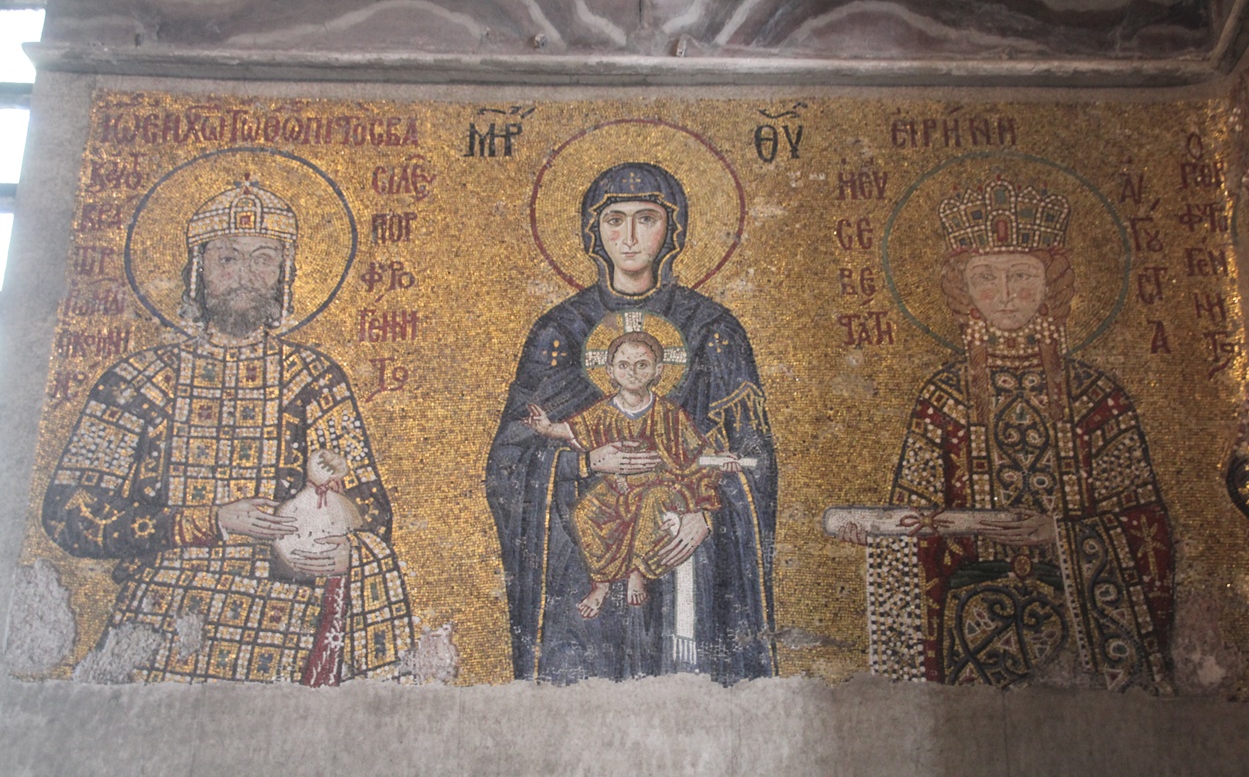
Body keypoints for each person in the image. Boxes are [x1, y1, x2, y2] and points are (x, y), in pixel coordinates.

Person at [43, 178, 415, 685]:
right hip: (160, 616)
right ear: (198, 268)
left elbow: (370, 505)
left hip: (287, 618)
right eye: (227, 258)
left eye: (263, 259)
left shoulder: (314, 380)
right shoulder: (139, 381)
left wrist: (340, 545)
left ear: (284, 271)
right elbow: (69, 510)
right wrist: (208, 521)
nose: (244, 275)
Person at [843, 177, 1174, 692]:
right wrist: (887, 534)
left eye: (1021, 275)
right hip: (970, 634)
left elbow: (1146, 528)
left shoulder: (1096, 398)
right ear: (962, 289)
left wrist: (1058, 535)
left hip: (1079, 632)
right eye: (985, 278)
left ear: (1051, 282)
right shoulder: (943, 398)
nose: (1003, 295)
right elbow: (915, 519)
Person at [487, 161, 777, 684]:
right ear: (593, 232)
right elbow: (508, 463)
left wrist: (707, 515)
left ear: (673, 229)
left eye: (647, 219)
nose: (629, 237)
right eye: (614, 220)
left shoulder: (712, 331)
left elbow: (753, 461)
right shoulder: (560, 333)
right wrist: (584, 462)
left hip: (685, 547)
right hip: (582, 560)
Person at [526, 330, 738, 619]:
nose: (633, 372)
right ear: (610, 371)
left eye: (642, 365)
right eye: (624, 365)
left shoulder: (669, 413)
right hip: (618, 488)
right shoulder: (603, 411)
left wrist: (720, 460)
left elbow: (695, 451)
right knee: (585, 513)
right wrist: (548, 428)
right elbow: (574, 429)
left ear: (658, 371)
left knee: (653, 504)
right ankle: (600, 583)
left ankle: (638, 571)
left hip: (660, 486)